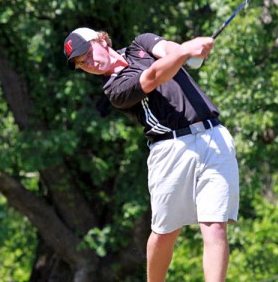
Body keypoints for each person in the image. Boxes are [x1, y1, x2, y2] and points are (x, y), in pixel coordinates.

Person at [63, 27, 240, 282]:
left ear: (101, 39)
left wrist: (189, 52)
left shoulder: (140, 44)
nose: (87, 63)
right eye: (81, 63)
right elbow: (155, 75)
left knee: (215, 226)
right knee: (166, 231)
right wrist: (187, 50)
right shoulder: (115, 89)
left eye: (86, 53)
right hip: (170, 150)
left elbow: (169, 52)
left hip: (214, 136)